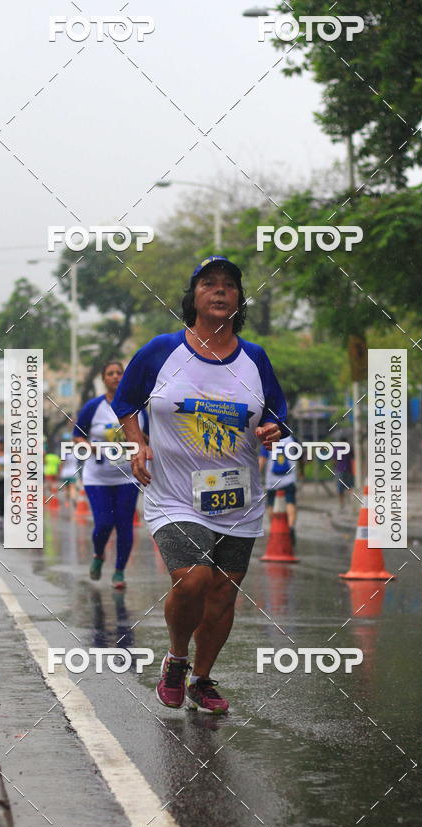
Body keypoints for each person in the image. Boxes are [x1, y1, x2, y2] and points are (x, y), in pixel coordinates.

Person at [113, 256, 287, 714]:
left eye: (229, 285)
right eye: (209, 283)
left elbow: (275, 414)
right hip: (174, 493)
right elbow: (126, 401)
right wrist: (138, 442)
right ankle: (176, 658)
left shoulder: (255, 358)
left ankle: (202, 679)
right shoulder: (160, 351)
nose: (220, 290)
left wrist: (274, 430)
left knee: (224, 592)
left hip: (238, 497)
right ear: (193, 297)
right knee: (193, 580)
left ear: (238, 299)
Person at [73, 361, 147, 588]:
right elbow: (77, 436)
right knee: (104, 523)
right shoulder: (93, 407)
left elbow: (148, 438)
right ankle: (98, 555)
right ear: (104, 379)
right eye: (110, 373)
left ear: (124, 377)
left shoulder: (138, 407)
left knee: (125, 524)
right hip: (98, 477)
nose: (115, 376)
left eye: (119, 373)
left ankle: (119, 572)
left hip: (128, 477)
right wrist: (89, 446)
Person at [258, 434, 297, 545]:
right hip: (289, 479)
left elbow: (262, 460)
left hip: (272, 482)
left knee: (271, 505)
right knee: (291, 503)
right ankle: (291, 527)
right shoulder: (291, 439)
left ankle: (274, 528)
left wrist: (255, 476)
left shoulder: (268, 439)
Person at [59, 433, 79, 507]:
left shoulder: (64, 454)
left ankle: (67, 502)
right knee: (72, 487)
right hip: (73, 472)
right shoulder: (75, 453)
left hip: (65, 473)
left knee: (66, 489)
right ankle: (74, 498)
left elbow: (61, 464)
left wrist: (60, 472)